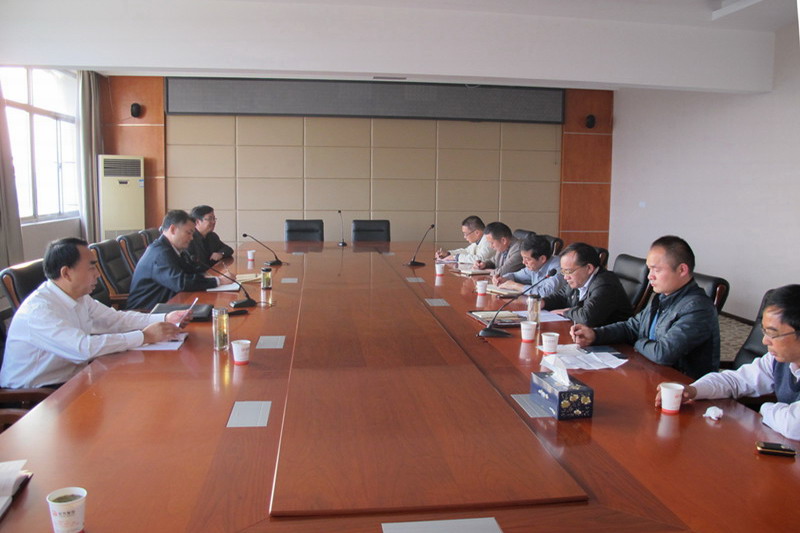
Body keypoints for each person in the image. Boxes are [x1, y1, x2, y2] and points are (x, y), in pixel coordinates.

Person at [0, 238, 190, 389]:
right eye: (91, 267)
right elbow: (83, 348)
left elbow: (116, 319)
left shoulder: (79, 297)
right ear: (66, 273)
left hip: (73, 381)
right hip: (36, 396)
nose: (97, 274)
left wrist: (165, 318)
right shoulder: (39, 311)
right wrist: (145, 336)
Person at [655, 285, 800, 439]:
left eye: (772, 334)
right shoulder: (776, 360)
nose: (765, 341)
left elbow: (794, 426)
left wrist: (765, 409)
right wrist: (693, 390)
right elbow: (735, 380)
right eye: (764, 332)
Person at [572, 236, 719, 379]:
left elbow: (662, 354)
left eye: (656, 270)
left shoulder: (698, 308)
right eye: (649, 269)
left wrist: (638, 342)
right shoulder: (662, 297)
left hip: (682, 387)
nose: (649, 276)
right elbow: (631, 327)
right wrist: (595, 335)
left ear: (682, 270)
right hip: (651, 374)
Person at [127, 210, 224, 310]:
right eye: (188, 233)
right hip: (145, 311)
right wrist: (217, 281)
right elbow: (181, 283)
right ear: (173, 229)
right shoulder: (160, 253)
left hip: (166, 305)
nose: (191, 238)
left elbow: (190, 271)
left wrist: (214, 277)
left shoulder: (171, 249)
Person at [543, 242, 632, 327]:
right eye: (563, 271)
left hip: (611, 336)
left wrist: (565, 312)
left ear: (589, 268)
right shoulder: (579, 280)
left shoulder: (606, 284)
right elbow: (561, 296)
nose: (565, 277)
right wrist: (542, 302)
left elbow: (587, 318)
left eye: (568, 271)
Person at [492, 234, 564, 298]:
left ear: (542, 259)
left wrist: (515, 286)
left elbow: (545, 293)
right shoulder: (535, 266)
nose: (523, 262)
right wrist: (503, 278)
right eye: (523, 258)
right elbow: (515, 276)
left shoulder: (557, 268)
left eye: (527, 259)